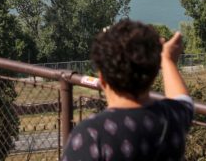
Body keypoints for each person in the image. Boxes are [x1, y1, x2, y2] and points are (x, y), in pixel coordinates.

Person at [62, 19, 193, 161]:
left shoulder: (91, 134)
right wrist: (167, 60)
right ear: (154, 74)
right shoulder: (172, 117)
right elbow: (183, 99)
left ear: (102, 79)